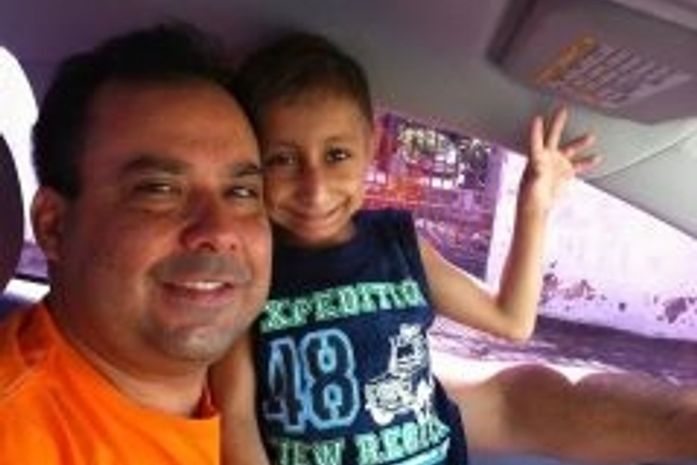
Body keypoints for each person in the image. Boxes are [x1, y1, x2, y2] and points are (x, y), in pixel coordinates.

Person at [210, 32, 602, 465]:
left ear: (372, 146)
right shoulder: (246, 269)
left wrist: (534, 206)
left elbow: (512, 320)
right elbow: (236, 419)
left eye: (337, 155)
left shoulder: (396, 246)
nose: (315, 189)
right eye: (282, 160)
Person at [0, 24, 271, 464]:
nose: (220, 231)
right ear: (54, 226)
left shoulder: (284, 390)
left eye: (241, 192)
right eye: (158, 190)